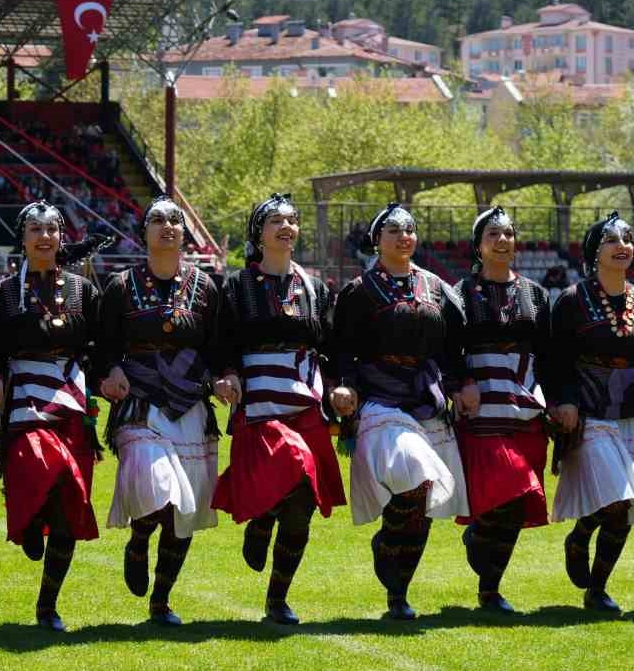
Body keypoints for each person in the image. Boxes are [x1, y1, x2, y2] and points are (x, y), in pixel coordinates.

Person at [210, 193, 346, 624]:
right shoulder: (235, 286)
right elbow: (220, 343)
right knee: (293, 464)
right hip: (260, 407)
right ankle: (261, 518)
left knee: (304, 502)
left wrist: (341, 388)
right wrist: (227, 374)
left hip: (306, 405)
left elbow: (333, 348)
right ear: (259, 233)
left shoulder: (316, 288)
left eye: (292, 220)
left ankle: (277, 599)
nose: (286, 227)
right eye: (276, 221)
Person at [333, 203, 467, 621]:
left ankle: (398, 593)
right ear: (378, 240)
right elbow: (341, 349)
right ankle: (385, 544)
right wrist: (344, 386)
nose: (404, 236)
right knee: (415, 478)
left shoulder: (437, 288)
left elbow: (453, 348)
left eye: (409, 229)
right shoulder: (359, 291)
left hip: (426, 398)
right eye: (393, 230)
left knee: (422, 506)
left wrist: (462, 385)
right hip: (380, 398)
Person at [0, 201, 109, 631]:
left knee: (71, 504)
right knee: (41, 468)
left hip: (73, 402)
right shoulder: (3, 294)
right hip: (25, 405)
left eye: (51, 229)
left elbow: (99, 348)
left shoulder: (83, 290)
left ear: (60, 237)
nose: (44, 237)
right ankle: (31, 518)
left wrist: (111, 373)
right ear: (22, 238)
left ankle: (48, 605)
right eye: (35, 229)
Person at [97, 197, 224, 626]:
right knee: (158, 489)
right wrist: (110, 369)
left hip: (190, 403)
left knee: (184, 511)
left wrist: (226, 376)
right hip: (140, 402)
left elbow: (219, 347)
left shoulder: (206, 287)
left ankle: (161, 600)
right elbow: (102, 347)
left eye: (175, 220)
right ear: (143, 232)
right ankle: (138, 538)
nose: (167, 226)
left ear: (184, 233)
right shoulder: (119, 286)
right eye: (157, 220)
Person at [549, 212, 634, 614]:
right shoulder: (571, 300)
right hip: (589, 408)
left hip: (632, 410)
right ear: (595, 251)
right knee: (617, 497)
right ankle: (579, 536)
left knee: (625, 507)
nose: (622, 246)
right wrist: (564, 400)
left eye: (628, 239)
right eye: (612, 240)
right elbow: (554, 358)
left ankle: (597, 588)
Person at [453, 207, 554, 613]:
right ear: (479, 245)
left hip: (526, 409)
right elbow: (448, 348)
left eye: (509, 233)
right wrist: (461, 382)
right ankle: (480, 547)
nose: (502, 240)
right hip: (482, 411)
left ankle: (489, 590)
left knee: (515, 505)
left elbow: (549, 354)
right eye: (493, 233)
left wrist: (558, 402)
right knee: (508, 492)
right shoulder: (459, 294)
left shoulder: (536, 294)